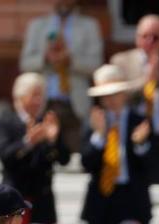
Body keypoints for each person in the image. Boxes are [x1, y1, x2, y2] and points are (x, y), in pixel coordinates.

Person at [80, 64, 154, 224]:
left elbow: (157, 166)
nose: (110, 100)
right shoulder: (93, 123)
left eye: (114, 94)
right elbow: (86, 163)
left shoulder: (140, 122)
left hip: (132, 199)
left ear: (124, 94)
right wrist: (99, 136)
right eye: (104, 96)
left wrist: (140, 144)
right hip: (101, 200)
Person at [111, 13, 159, 182]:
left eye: (155, 37)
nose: (149, 41)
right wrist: (144, 81)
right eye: (145, 36)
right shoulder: (121, 61)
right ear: (137, 37)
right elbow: (118, 94)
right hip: (132, 131)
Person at [20, 0, 103, 153]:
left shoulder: (89, 26)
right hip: (44, 103)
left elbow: (96, 64)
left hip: (74, 104)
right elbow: (25, 63)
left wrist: (70, 60)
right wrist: (45, 58)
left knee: (76, 155)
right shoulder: (37, 26)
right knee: (41, 151)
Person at [0, 72, 70, 224]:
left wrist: (53, 139)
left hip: (42, 203)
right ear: (20, 97)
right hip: (15, 200)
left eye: (41, 96)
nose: (38, 101)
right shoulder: (6, 121)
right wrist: (28, 142)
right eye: (34, 95)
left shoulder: (48, 122)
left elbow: (64, 159)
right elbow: (5, 156)